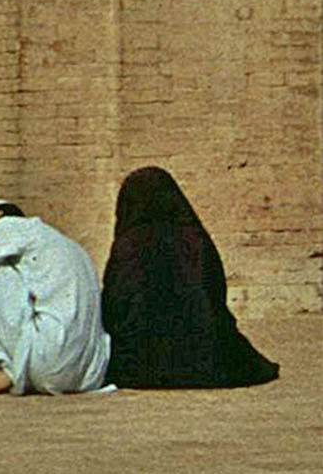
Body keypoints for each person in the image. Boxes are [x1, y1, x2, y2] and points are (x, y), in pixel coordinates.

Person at [102, 166, 278, 389]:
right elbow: (215, 296)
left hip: (140, 367)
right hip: (207, 360)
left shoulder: (129, 246)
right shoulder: (195, 240)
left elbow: (114, 304)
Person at [0, 198, 111, 396]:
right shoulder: (67, 245)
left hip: (45, 362)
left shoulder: (8, 227)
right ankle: (9, 371)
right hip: (89, 374)